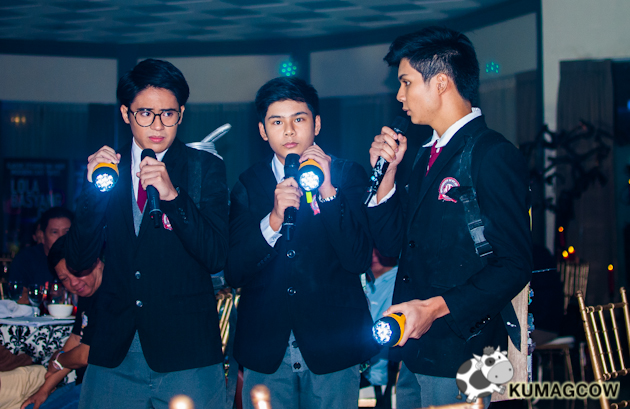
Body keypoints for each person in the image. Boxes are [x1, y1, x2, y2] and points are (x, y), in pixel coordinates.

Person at [366, 26, 532, 408]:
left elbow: (514, 265)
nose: (399, 95)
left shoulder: (492, 154)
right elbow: (392, 245)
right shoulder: (424, 154)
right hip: (414, 351)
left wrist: (434, 308)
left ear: (440, 82)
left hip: (467, 352)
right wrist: (387, 177)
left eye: (406, 82)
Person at [65, 59, 229, 409]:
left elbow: (216, 256)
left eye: (168, 114)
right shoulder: (109, 169)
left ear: (181, 114)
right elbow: (78, 261)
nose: (157, 125)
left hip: (187, 352)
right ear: (126, 114)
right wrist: (93, 192)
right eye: (145, 113)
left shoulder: (204, 168)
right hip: (114, 350)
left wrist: (173, 197)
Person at [225, 76, 379, 409]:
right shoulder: (248, 184)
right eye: (277, 122)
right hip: (266, 347)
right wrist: (273, 221)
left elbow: (357, 259)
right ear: (263, 131)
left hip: (334, 344)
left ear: (317, 124)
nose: (289, 131)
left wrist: (328, 192)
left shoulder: (348, 175)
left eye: (299, 119)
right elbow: (234, 271)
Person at [21, 235, 103, 409]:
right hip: (84, 384)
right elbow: (75, 339)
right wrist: (44, 390)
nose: (73, 283)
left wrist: (59, 360)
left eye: (77, 273)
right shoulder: (87, 292)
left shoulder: (109, 294)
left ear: (96, 262)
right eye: (65, 278)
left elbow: (84, 355)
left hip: (102, 389)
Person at [9, 207, 72, 301]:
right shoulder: (25, 259)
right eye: (54, 232)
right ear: (42, 236)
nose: (61, 237)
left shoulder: (83, 259)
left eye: (67, 232)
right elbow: (17, 297)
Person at [362, 249, 398, 408]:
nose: (373, 254)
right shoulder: (363, 282)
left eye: (378, 249)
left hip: (380, 377)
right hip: (363, 374)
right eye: (370, 249)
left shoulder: (397, 281)